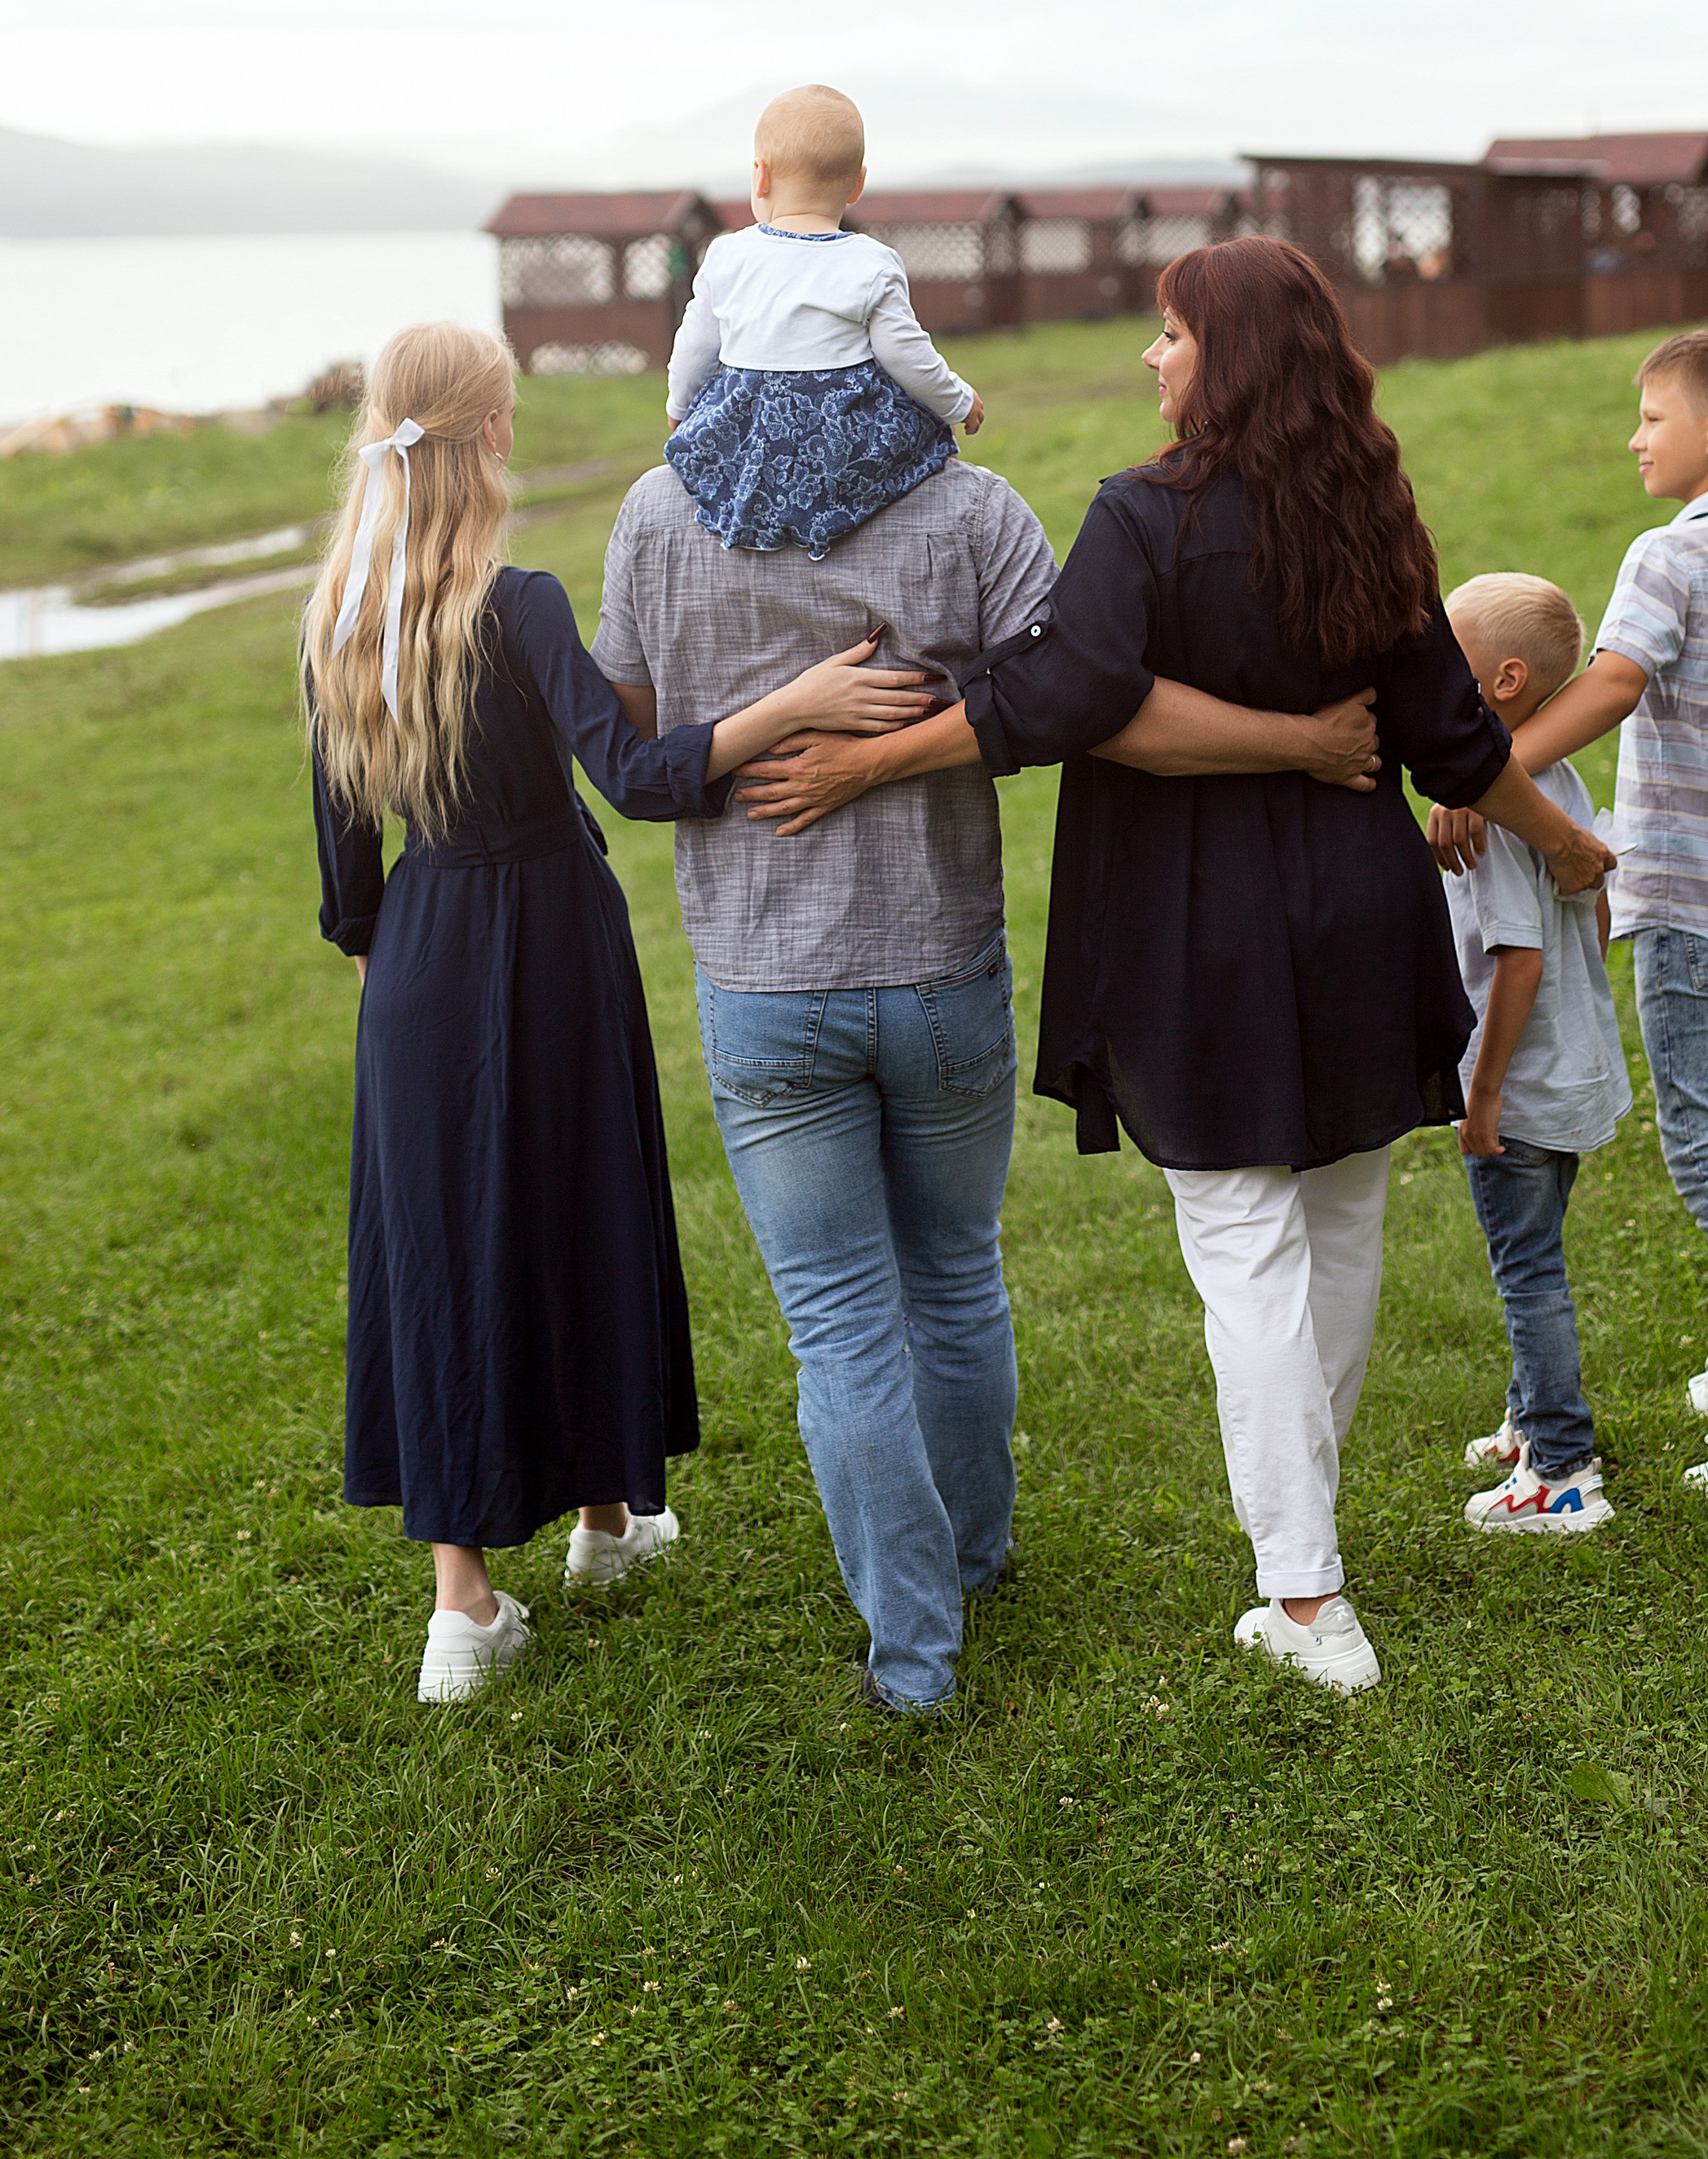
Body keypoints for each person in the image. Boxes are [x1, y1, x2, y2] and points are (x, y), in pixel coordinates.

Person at [738, 239, 1614, 1696]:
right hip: (1356, 907)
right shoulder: (1373, 513)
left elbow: (1071, 696)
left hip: (1198, 925)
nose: (1153, 358)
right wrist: (1562, 842)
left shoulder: (1141, 519)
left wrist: (872, 759)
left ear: (1229, 356)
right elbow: (1454, 738)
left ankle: (1310, 1596)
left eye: (1168, 333)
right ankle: (1307, 1555)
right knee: (1335, 1228)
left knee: (1247, 1254)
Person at [592, 417, 1382, 1715]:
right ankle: (974, 1556)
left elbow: (639, 740)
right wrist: (1296, 742)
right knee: (954, 1276)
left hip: (764, 981)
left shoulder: (654, 512)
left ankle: (916, 1655)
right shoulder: (967, 508)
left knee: (840, 1323)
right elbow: (1083, 693)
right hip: (938, 966)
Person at [304, 321, 937, 1705]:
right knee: (576, 1205)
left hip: (418, 964)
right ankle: (600, 1519)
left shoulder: (342, 619)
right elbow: (642, 778)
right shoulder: (516, 603)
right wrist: (804, 701)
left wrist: (398, 980)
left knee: (445, 1245)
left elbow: (345, 885)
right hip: (545, 945)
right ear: (486, 436)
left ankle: (468, 1603)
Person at [1432, 324, 1708, 1512]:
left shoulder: (1664, 559)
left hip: (1693, 903)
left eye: (1650, 418)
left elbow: (1617, 684)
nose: (1635, 438)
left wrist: (1485, 780)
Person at [1440, 572, 1633, 1539]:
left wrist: (1483, 1096)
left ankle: (1562, 1471)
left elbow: (1515, 960)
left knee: (1527, 1270)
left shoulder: (1504, 812)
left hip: (1519, 1087)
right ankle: (1529, 1421)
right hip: (1576, 1066)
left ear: (1505, 681)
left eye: (1450, 653)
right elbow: (1591, 912)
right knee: (1538, 1252)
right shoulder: (1556, 779)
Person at [663, 84, 983, 559]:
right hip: (842, 442)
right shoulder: (872, 262)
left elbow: (694, 348)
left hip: (748, 429)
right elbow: (907, 355)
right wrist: (959, 401)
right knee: (917, 436)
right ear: (857, 183)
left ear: (761, 176)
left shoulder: (728, 255)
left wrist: (679, 407)